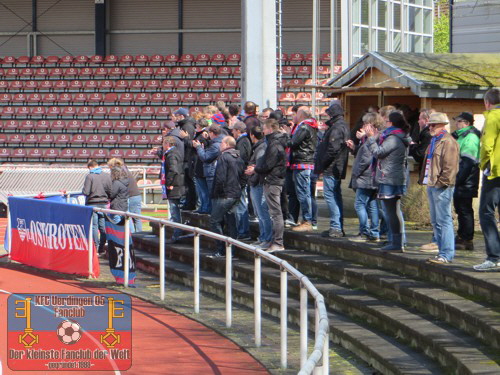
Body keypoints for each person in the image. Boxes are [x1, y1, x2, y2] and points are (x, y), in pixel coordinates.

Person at [364, 111, 411, 251]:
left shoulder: (394, 138)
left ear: (391, 123)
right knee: (392, 211)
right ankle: (396, 242)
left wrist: (371, 138)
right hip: (391, 176)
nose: (384, 123)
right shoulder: (393, 135)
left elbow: (379, 153)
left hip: (390, 178)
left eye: (386, 121)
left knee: (391, 212)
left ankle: (397, 243)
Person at [419, 113, 460, 264]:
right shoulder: (434, 140)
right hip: (432, 184)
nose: (430, 127)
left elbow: (450, 168)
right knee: (436, 221)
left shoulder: (448, 142)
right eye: (429, 124)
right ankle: (441, 252)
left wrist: (440, 183)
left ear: (442, 125)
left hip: (441, 186)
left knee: (444, 220)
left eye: (433, 125)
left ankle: (447, 254)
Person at [474, 88, 500, 271]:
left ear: (487, 103)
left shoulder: (492, 116)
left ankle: (494, 256)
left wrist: (484, 165)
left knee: (486, 213)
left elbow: (487, 145)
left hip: (495, 172)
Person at [251, 119, 287, 252]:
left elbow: (268, 164)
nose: (263, 131)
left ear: (270, 129)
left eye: (264, 129)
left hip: (273, 181)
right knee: (274, 212)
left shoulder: (274, 144)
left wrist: (255, 169)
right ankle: (275, 241)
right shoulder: (274, 142)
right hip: (272, 180)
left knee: (275, 213)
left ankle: (278, 242)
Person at [315, 100, 349, 237]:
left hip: (333, 167)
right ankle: (337, 226)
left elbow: (332, 149)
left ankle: (336, 227)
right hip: (336, 166)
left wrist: (322, 164)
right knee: (335, 196)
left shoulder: (336, 128)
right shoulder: (341, 126)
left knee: (331, 196)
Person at [347, 112, 383, 242]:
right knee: (372, 205)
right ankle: (374, 233)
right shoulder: (374, 138)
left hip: (365, 177)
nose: (363, 126)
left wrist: (356, 172)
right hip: (372, 177)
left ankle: (364, 232)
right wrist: (355, 147)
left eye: (366, 123)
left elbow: (366, 159)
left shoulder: (371, 139)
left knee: (360, 205)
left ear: (372, 125)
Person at [210, 136, 245, 257]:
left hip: (224, 195)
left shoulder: (224, 157)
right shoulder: (239, 157)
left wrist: (217, 192)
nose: (219, 145)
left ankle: (221, 250)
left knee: (215, 221)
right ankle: (232, 251)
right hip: (235, 193)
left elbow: (220, 177)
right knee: (231, 222)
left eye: (221, 143)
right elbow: (243, 176)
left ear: (225, 144)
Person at [452, 112, 480, 251]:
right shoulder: (460, 136)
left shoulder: (470, 137)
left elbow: (468, 163)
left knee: (464, 209)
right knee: (460, 209)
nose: (456, 124)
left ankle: (467, 239)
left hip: (466, 180)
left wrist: (457, 180)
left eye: (459, 121)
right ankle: (461, 235)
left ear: (467, 123)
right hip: (461, 179)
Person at [410, 108, 438, 252]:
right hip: (429, 178)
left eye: (421, 118)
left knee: (439, 215)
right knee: (435, 214)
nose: (418, 121)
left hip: (437, 180)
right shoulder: (425, 134)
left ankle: (438, 242)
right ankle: (436, 240)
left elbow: (421, 154)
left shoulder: (429, 136)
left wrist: (413, 146)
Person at [290, 106, 318, 232]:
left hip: (302, 162)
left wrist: (284, 136)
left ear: (300, 115)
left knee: (303, 193)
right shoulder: (311, 126)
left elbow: (293, 143)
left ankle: (307, 220)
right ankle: (307, 220)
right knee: (305, 193)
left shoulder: (304, 127)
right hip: (305, 162)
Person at [245, 125, 273, 249]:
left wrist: (253, 177)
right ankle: (263, 237)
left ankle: (266, 238)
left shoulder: (261, 147)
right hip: (255, 181)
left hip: (258, 183)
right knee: (259, 212)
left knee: (262, 212)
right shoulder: (259, 146)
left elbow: (259, 165)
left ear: (252, 135)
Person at [82, 159, 111, 255]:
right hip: (103, 203)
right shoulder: (106, 176)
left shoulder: (90, 176)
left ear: (90, 167)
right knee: (103, 226)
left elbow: (86, 191)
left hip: (92, 203)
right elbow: (110, 189)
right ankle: (102, 247)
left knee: (94, 226)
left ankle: (96, 247)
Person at [108, 158, 142, 233]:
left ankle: (132, 237)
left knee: (129, 218)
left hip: (130, 196)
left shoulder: (120, 173)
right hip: (136, 195)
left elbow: (115, 190)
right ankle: (138, 237)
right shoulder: (125, 170)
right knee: (136, 218)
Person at [161, 136, 185, 243]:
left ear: (167, 144)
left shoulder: (171, 155)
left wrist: (168, 183)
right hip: (178, 184)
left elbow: (173, 170)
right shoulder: (175, 153)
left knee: (174, 211)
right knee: (175, 211)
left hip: (175, 186)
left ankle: (177, 235)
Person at [174, 107, 197, 210]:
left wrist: (184, 137)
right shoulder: (185, 125)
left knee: (189, 183)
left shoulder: (187, 126)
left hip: (188, 159)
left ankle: (191, 203)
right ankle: (189, 203)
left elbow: (190, 143)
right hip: (186, 158)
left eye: (177, 116)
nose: (175, 118)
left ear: (182, 116)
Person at [233, 121, 252, 240]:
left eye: (234, 130)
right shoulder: (244, 141)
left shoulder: (242, 142)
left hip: (241, 177)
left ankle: (243, 232)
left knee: (241, 205)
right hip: (241, 176)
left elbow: (240, 159)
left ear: (238, 131)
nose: (232, 132)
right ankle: (242, 231)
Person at [193, 124, 224, 195]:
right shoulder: (219, 141)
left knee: (210, 198)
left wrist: (198, 147)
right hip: (212, 172)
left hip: (211, 172)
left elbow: (205, 157)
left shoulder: (216, 145)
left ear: (212, 133)